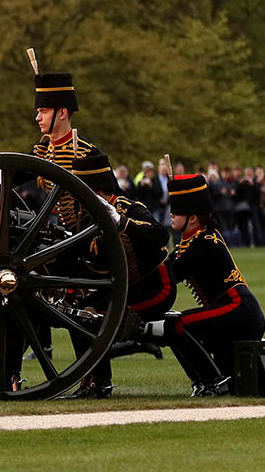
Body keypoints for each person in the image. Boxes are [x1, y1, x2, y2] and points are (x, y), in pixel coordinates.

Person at [142, 173, 265, 393]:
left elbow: (169, 275)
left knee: (175, 325)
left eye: (177, 210)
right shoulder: (192, 241)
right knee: (173, 325)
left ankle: (212, 382)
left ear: (193, 217)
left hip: (239, 309)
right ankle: (205, 382)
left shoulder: (203, 243)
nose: (171, 214)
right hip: (232, 311)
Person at [67, 154, 174, 399]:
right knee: (78, 314)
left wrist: (121, 221)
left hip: (155, 286)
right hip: (124, 286)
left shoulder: (128, 208)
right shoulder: (86, 217)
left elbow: (159, 234)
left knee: (93, 318)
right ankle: (89, 381)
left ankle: (101, 385)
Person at [31, 71, 102, 231]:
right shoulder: (41, 151)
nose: (37, 118)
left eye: (43, 111)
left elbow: (110, 201)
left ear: (62, 113)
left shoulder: (87, 153)